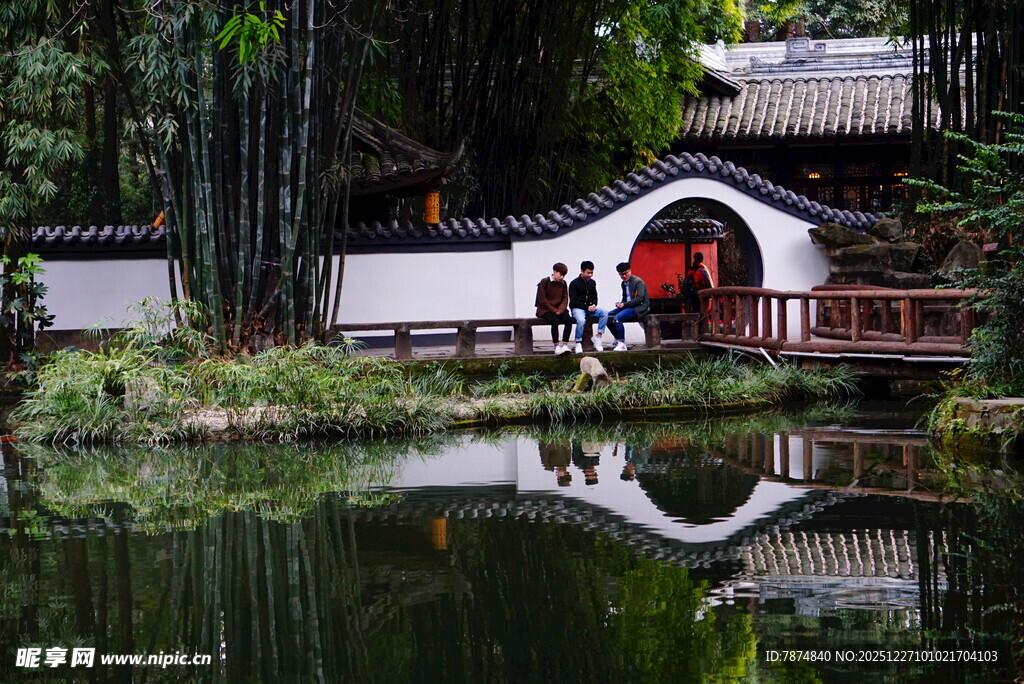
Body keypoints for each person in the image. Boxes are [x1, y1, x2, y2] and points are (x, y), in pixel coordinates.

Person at [606, 262, 650, 352]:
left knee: (618, 318)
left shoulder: (638, 282)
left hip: (639, 307)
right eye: (621, 274)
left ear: (630, 271)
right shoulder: (624, 283)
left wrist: (625, 305)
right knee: (607, 316)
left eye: (626, 273)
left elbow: (640, 299)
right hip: (628, 306)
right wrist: (621, 304)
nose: (624, 276)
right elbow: (625, 298)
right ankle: (617, 339)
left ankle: (622, 343)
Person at [568, 260, 609, 353]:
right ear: (582, 271)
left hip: (590, 308)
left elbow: (595, 296)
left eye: (592, 272)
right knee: (581, 320)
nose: (590, 275)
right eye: (588, 273)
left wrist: (594, 304)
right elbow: (574, 301)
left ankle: (598, 336)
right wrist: (586, 307)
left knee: (604, 313)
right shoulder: (574, 283)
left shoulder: (592, 282)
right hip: (578, 308)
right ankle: (578, 341)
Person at [535, 262, 573, 355]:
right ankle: (556, 345)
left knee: (569, 320)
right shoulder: (544, 281)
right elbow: (542, 299)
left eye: (564, 275)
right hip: (546, 309)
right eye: (560, 274)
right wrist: (554, 310)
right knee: (554, 321)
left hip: (560, 309)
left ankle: (565, 344)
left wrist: (560, 310)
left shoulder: (563, 283)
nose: (562, 277)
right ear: (555, 272)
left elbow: (565, 298)